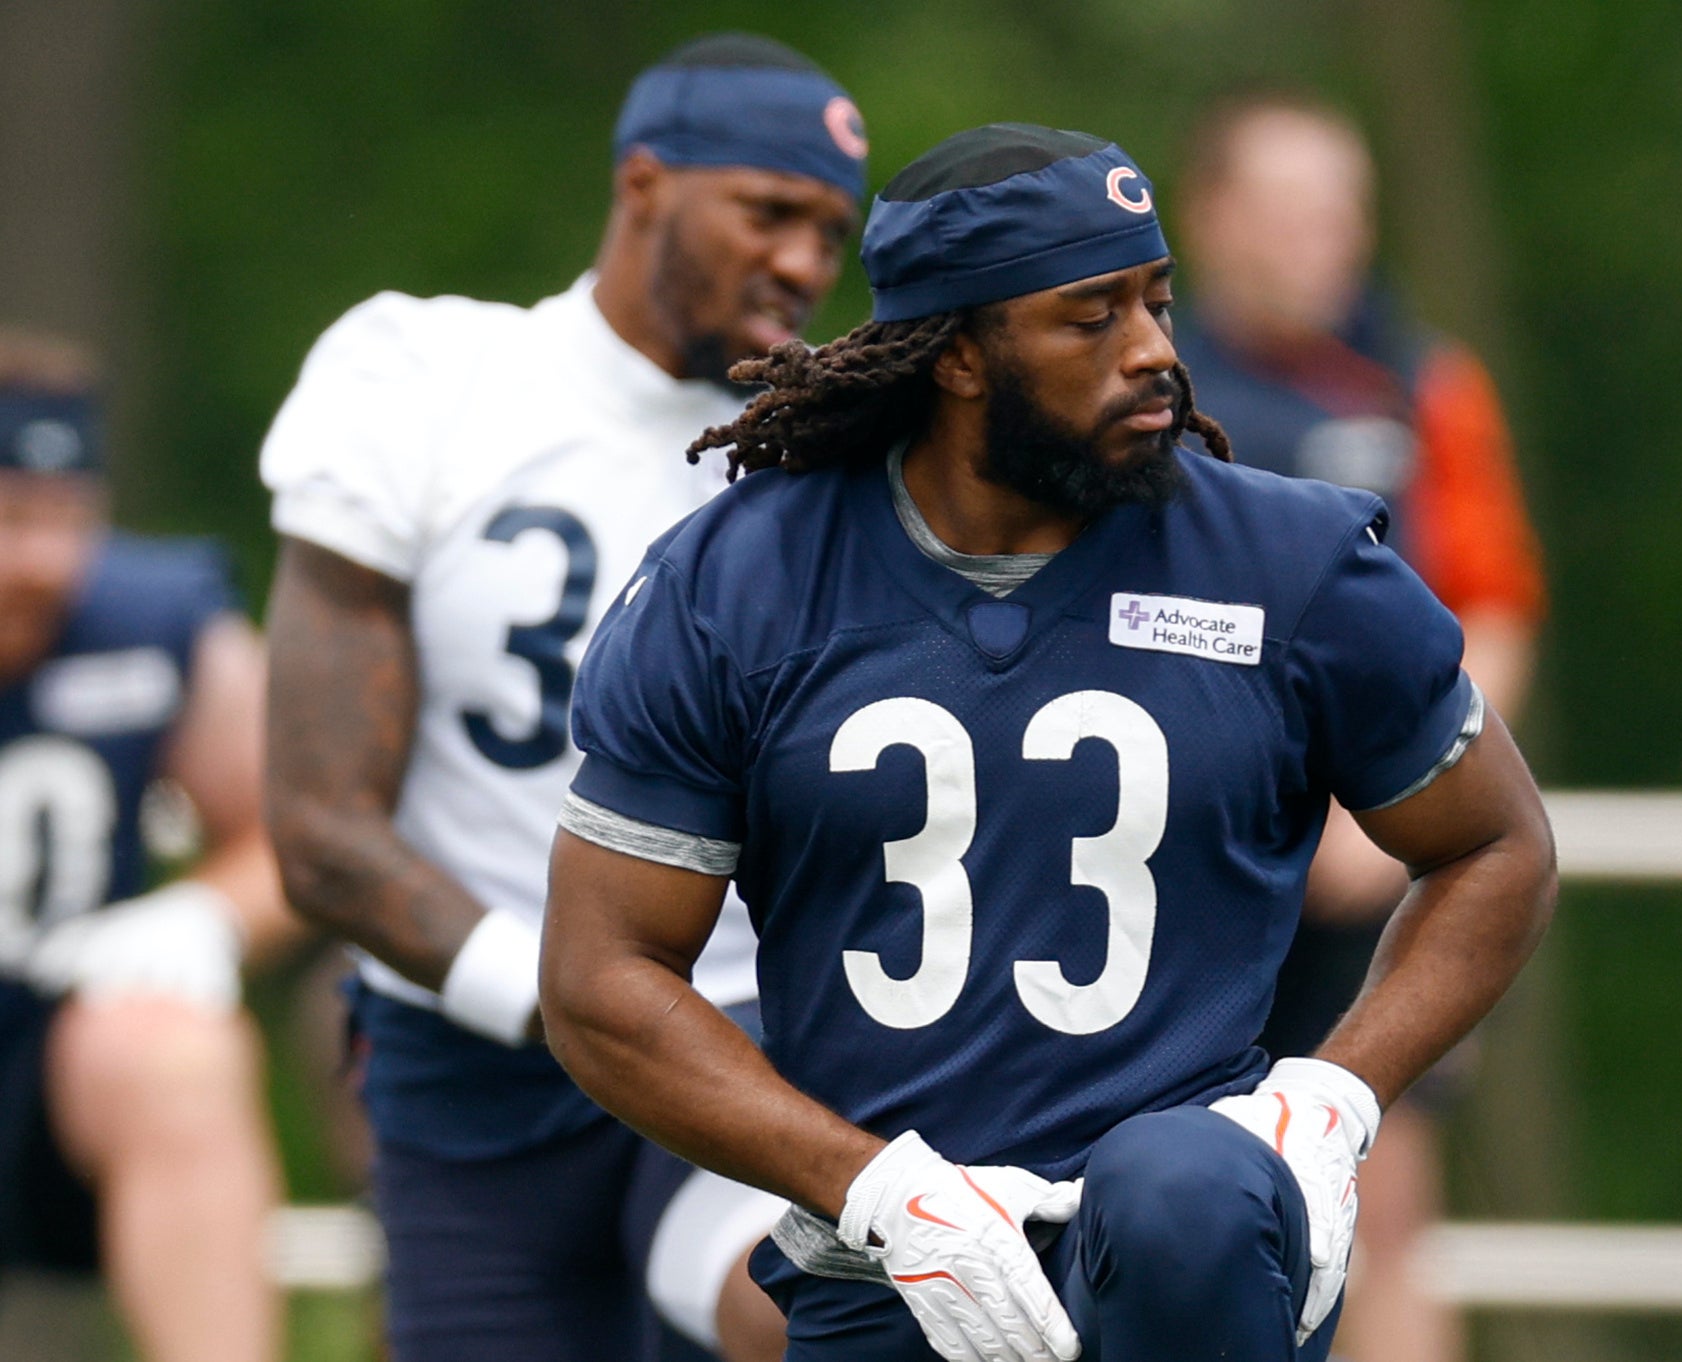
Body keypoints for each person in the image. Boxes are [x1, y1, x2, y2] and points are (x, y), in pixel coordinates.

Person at [537, 122, 1558, 1362]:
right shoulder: (737, 584)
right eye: (1093, 316)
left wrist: (1333, 1098)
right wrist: (870, 1188)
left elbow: (1498, 844)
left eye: (1159, 303)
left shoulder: (1292, 563)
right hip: (894, 1259)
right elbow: (601, 979)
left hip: (1191, 1240)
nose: (1155, 354)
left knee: (1182, 1184)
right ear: (957, 353)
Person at [260, 33, 866, 1362]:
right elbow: (318, 828)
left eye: (830, 233)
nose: (804, 265)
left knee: (814, 1313)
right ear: (642, 182)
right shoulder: (419, 375)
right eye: (768, 211)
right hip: (474, 1034)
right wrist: (590, 1006)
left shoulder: (828, 462)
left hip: (743, 1033)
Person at [1172, 92, 1547, 1362]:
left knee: (1383, 1210)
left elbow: (1491, 610)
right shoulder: (1138, 384)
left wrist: (1400, 806)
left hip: (1361, 881)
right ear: (1211, 217)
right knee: (1166, 1195)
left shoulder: (1424, 380)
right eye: (1291, 209)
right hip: (1179, 869)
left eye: (1344, 209)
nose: (1325, 237)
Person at [0, 330, 290, 1362]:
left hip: (56, 1076)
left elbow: (296, 828)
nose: (38, 557)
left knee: (177, 1055)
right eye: (6, 515)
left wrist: (206, 911)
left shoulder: (153, 618)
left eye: (64, 516)